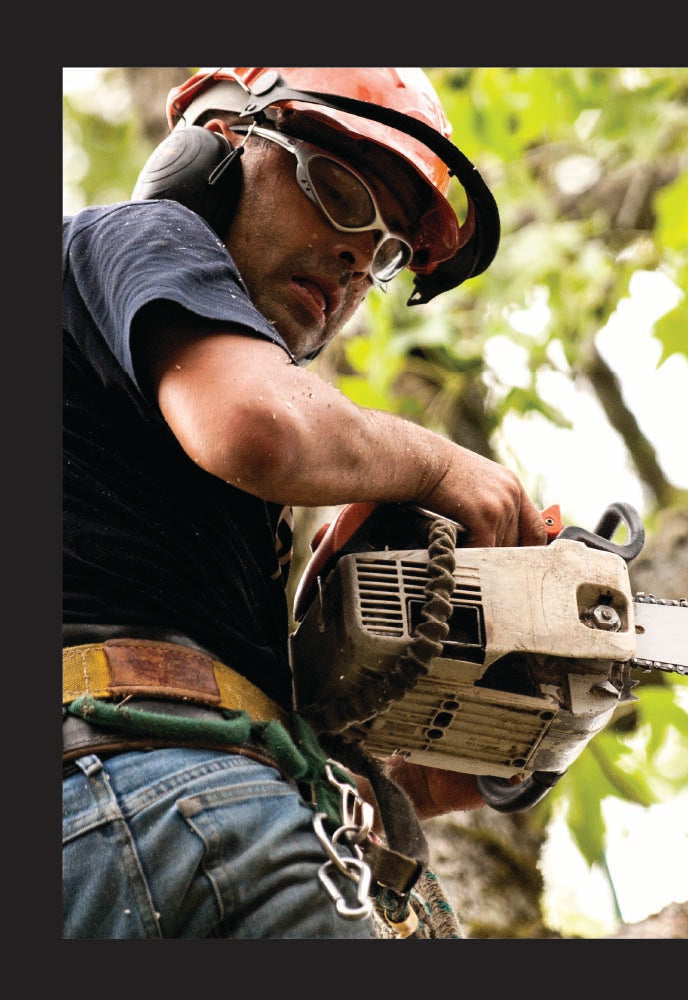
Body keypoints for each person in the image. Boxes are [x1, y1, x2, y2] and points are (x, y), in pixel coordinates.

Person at [62, 66, 548, 939]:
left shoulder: (158, 483)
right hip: (152, 801)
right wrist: (440, 466)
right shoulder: (145, 233)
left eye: (388, 248)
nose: (360, 257)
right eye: (341, 192)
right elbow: (259, 426)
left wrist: (432, 758)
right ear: (212, 152)